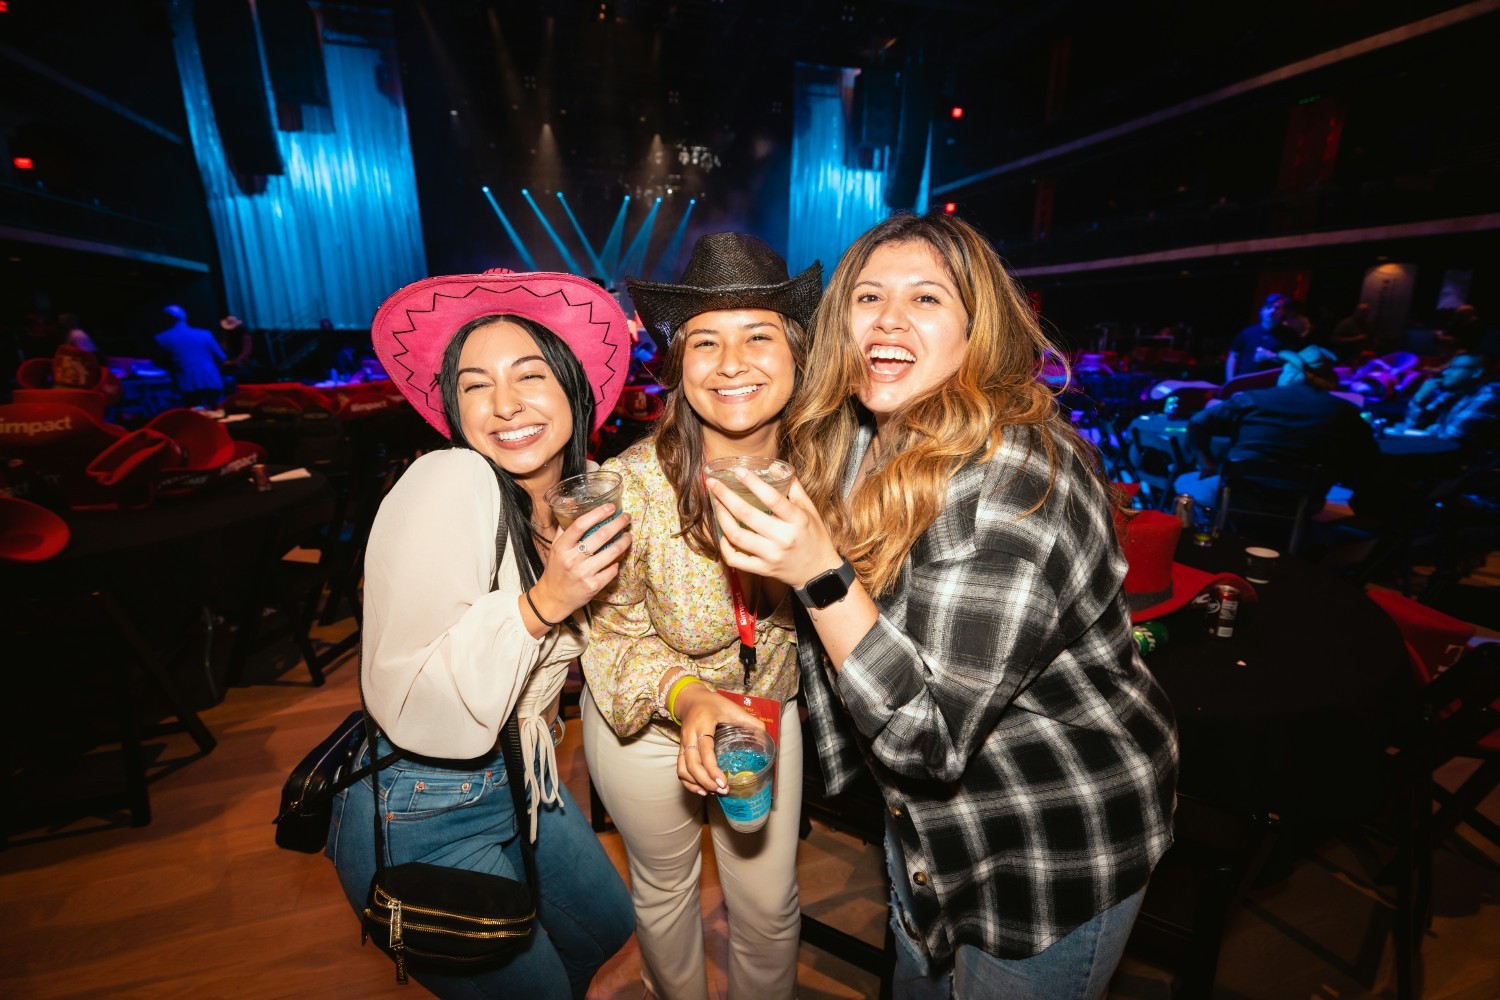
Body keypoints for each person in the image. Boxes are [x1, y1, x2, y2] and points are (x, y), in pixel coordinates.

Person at [703, 213, 1178, 1000]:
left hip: (1049, 841)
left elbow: (927, 738)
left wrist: (819, 572)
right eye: (866, 298)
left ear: (975, 331)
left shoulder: (1016, 486)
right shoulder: (863, 436)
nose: (887, 320)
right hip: (927, 829)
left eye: (926, 298)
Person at [324, 270, 637, 998]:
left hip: (524, 775)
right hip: (421, 801)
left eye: (530, 375)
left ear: (574, 388)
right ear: (453, 409)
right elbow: (408, 697)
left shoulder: (573, 493)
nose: (504, 405)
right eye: (474, 385)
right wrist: (546, 601)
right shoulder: (449, 479)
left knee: (609, 935)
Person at [582, 233, 821, 1000]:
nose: (730, 363)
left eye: (758, 335)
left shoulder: (837, 475)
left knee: (767, 907)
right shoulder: (629, 485)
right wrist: (690, 699)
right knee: (664, 893)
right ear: (678, 368)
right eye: (704, 342)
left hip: (767, 717)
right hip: (651, 727)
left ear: (796, 353)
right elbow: (612, 636)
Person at [1174, 344, 1379, 509]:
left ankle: (1198, 545)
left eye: (1285, 368)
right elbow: (1368, 458)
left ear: (1292, 373)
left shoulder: (1254, 398)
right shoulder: (1345, 412)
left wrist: (1206, 464)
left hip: (1238, 495)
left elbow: (1198, 422)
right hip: (1302, 504)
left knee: (1185, 483)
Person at [1402, 351, 1500, 451]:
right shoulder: (1451, 392)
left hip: (1464, 462)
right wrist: (1419, 399)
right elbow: (1410, 427)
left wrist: (1433, 428)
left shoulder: (1490, 393)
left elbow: (1451, 438)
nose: (1444, 373)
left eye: (1454, 368)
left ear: (1476, 373)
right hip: (1433, 453)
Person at [154, 304, 225, 407]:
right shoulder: (205, 334)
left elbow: (158, 362)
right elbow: (221, 357)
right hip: (212, 380)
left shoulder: (161, 338)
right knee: (217, 414)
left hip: (186, 383)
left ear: (166, 319)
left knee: (196, 417)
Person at [1223, 292, 1296, 382]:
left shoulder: (1290, 335)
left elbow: (1296, 363)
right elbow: (1233, 356)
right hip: (1243, 384)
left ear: (1283, 313)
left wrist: (1273, 356)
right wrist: (1230, 382)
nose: (1272, 311)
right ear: (1261, 311)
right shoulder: (1248, 332)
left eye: (1277, 308)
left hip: (1269, 388)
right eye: (1269, 307)